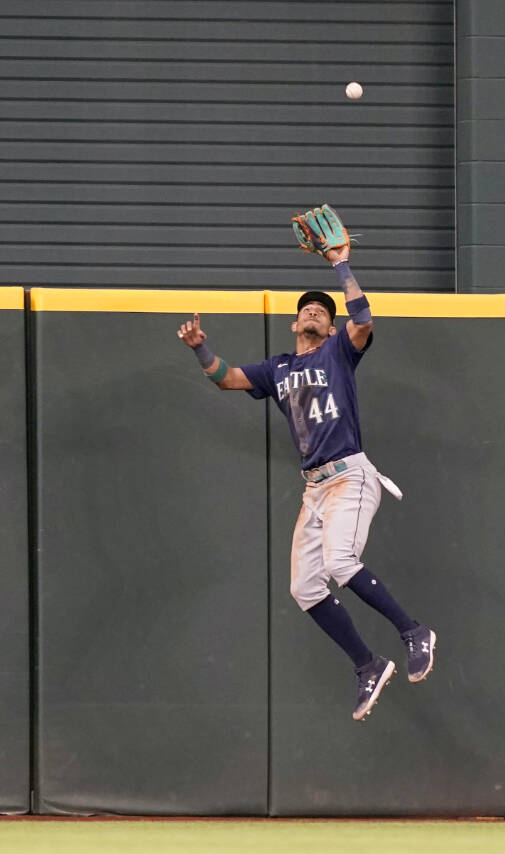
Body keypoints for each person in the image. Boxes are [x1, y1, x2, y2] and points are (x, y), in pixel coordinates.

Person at [176, 232, 436, 722]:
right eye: (308, 308)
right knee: (305, 589)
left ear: (331, 326)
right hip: (315, 488)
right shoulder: (277, 369)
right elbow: (225, 377)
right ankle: (368, 664)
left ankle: (413, 632)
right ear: (296, 321)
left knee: (341, 560)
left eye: (323, 309)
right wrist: (199, 349)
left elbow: (363, 319)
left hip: (350, 476)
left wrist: (340, 265)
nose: (315, 310)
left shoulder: (339, 351)